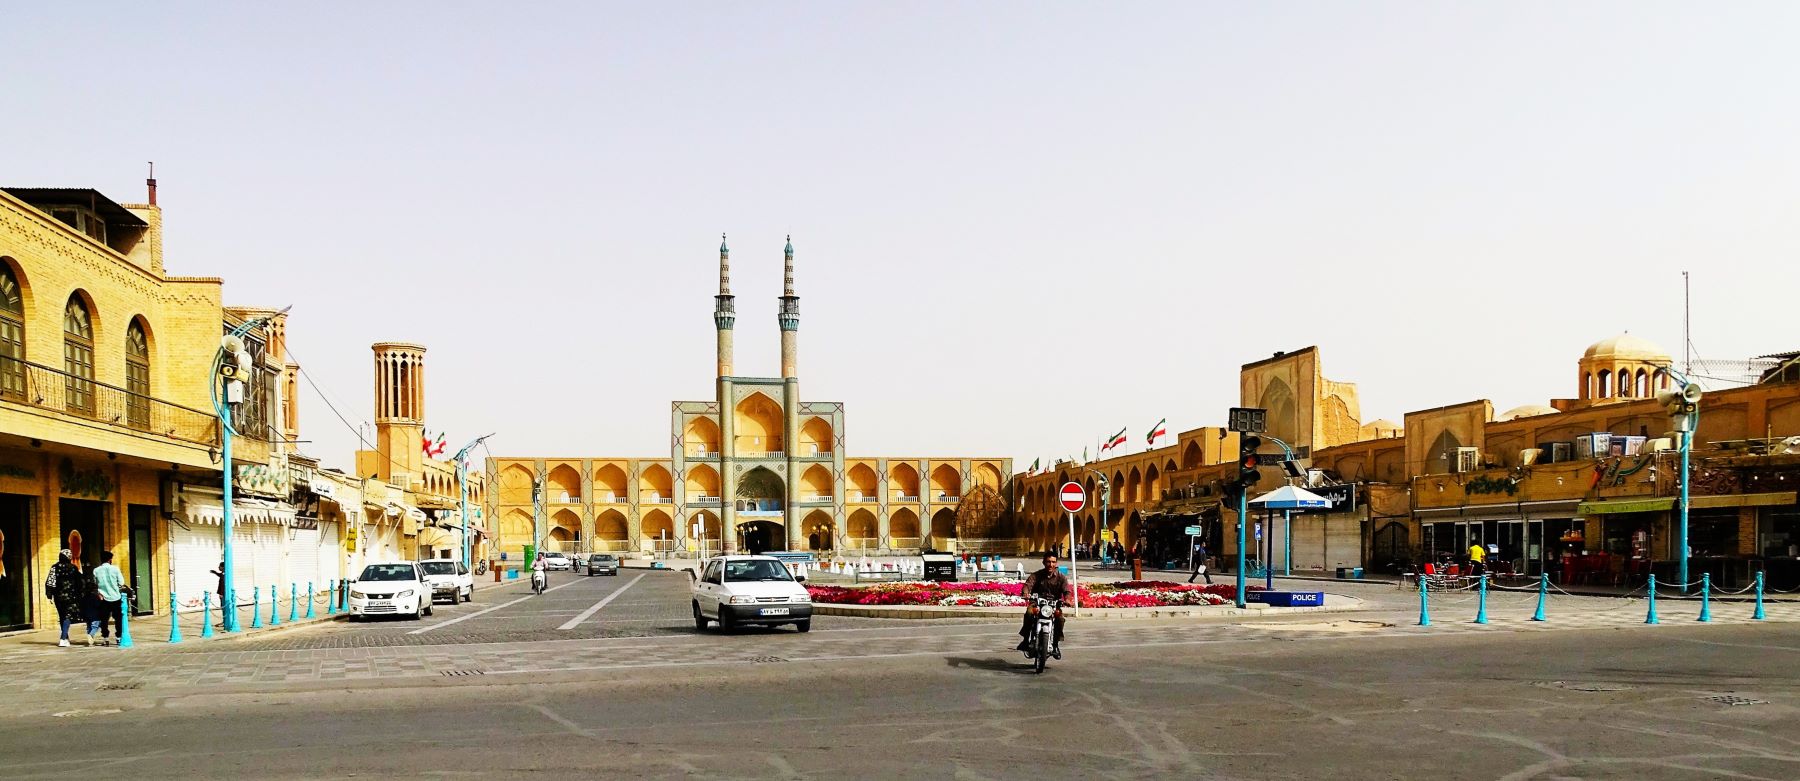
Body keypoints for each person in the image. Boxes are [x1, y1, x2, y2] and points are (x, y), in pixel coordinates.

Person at [1015, 553, 1073, 655]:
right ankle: (1025, 640)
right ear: (1044, 562)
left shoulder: (1061, 577)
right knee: (1029, 613)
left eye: (1053, 562)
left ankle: (1055, 645)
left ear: (1056, 563)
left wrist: (1067, 599)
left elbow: (1067, 591)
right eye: (1048, 562)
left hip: (1053, 605)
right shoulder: (1036, 575)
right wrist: (1026, 593)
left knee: (1060, 619)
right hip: (1037, 603)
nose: (1051, 564)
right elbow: (1028, 585)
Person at [45, 550, 85, 648]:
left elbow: (50, 582)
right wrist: (80, 594)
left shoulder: (54, 568)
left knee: (62, 616)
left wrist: (49, 595)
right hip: (71, 596)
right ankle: (63, 638)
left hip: (58, 597)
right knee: (68, 616)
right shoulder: (73, 568)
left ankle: (66, 638)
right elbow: (80, 583)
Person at [88, 551, 126, 646]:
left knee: (104, 619)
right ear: (110, 560)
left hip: (103, 598)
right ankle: (118, 637)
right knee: (118, 618)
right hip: (116, 597)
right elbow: (121, 582)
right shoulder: (115, 569)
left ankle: (105, 637)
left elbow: (95, 583)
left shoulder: (96, 570)